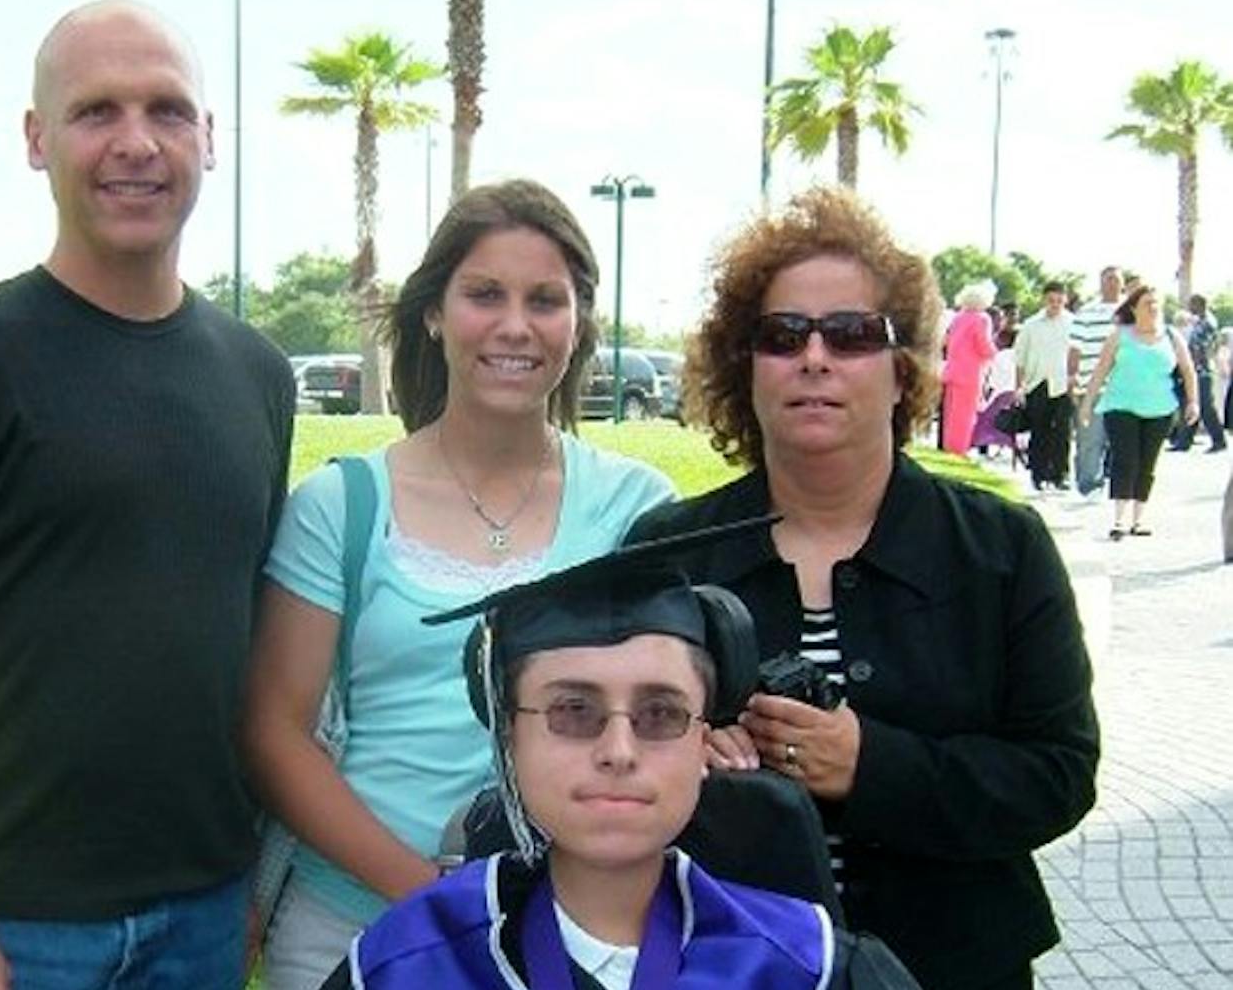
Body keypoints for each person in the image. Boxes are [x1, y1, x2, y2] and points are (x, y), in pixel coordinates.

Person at [0, 0, 294, 988]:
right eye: (95, 111)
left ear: (210, 137)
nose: (137, 143)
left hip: (200, 916)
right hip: (4, 925)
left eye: (168, 110)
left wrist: (243, 870)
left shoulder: (258, 375)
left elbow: (237, 636)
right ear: (38, 140)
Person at [626, 186, 1101, 990]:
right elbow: (611, 757)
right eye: (782, 335)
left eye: (850, 334)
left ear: (902, 367)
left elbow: (1059, 773)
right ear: (746, 366)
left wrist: (868, 766)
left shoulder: (999, 548)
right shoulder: (667, 552)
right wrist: (685, 758)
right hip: (721, 966)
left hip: (957, 964)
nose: (815, 357)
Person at [243, 179, 675, 989]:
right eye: (484, 295)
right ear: (436, 312)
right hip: (354, 924)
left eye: (545, 300)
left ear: (578, 323)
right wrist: (438, 899)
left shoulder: (635, 508)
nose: (515, 326)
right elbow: (275, 732)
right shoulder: (342, 505)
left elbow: (665, 719)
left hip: (576, 937)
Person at [320, 525, 924, 989]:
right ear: (509, 738)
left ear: (702, 739)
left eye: (660, 714)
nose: (618, 751)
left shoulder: (808, 969)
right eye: (573, 712)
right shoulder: (407, 966)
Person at [1079, 283, 1199, 539]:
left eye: (1156, 304)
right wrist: (1087, 404)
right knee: (1125, 460)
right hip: (1121, 406)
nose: (1153, 308)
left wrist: (1193, 402)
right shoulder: (1119, 336)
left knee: (1148, 463)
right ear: (1134, 308)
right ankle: (1119, 520)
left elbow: (1188, 370)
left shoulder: (1171, 336)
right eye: (1147, 304)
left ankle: (1139, 518)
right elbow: (1100, 371)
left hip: (1160, 409)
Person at [1015, 280, 1077, 492]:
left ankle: (1060, 475)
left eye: (1059, 300)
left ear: (1065, 300)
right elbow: (1020, 358)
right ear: (1044, 299)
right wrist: (1019, 387)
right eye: (1051, 300)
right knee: (1039, 431)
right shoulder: (1031, 325)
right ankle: (1038, 474)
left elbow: (1078, 353)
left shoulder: (1073, 323)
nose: (1055, 304)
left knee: (1062, 431)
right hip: (1037, 383)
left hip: (1063, 383)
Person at [1070, 266, 1125, 494]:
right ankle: (1088, 482)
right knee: (1090, 437)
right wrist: (1071, 375)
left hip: (1125, 386)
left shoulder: (1131, 312)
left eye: (1116, 280)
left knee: (1121, 440)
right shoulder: (1087, 312)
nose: (1111, 283)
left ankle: (1117, 484)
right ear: (1101, 283)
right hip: (1091, 384)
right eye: (1108, 279)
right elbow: (1075, 347)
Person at [940, 280, 996, 455]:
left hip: (952, 370)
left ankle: (948, 445)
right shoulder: (982, 319)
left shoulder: (958, 317)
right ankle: (959, 448)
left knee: (951, 413)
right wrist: (994, 353)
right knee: (964, 414)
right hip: (970, 372)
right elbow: (983, 345)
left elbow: (947, 341)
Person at [1167, 294, 1226, 452]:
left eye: (1192, 304)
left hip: (1202, 370)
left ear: (1199, 304)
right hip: (1196, 369)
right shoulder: (1200, 321)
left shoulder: (1207, 323)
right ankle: (1184, 441)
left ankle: (1219, 440)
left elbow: (1202, 347)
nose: (1189, 308)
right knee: (1191, 405)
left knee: (1206, 407)